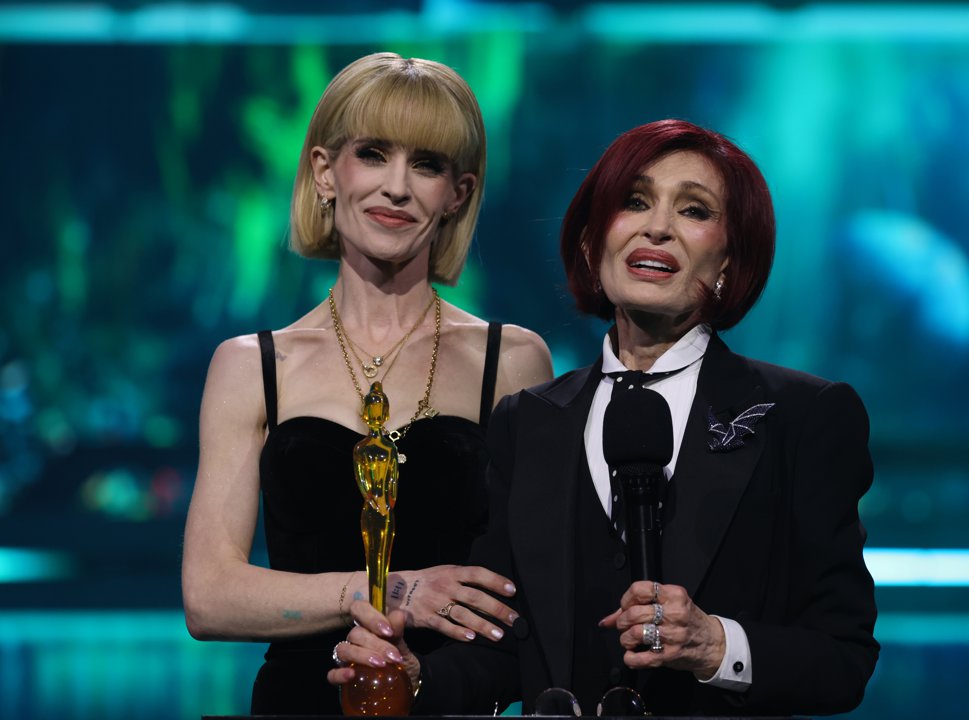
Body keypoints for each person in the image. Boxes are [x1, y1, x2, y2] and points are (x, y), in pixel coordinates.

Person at [330, 119, 879, 716]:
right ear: (593, 243)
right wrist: (415, 678)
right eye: (634, 202)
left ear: (731, 259)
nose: (658, 227)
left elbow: (843, 660)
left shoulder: (801, 417)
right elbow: (504, 650)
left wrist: (716, 645)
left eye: (694, 211)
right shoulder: (528, 421)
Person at [181, 52, 553, 715]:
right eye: (374, 154)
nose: (398, 187)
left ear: (458, 194)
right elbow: (209, 596)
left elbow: (537, 590)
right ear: (326, 172)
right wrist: (391, 590)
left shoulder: (513, 360)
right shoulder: (251, 365)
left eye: (428, 164)